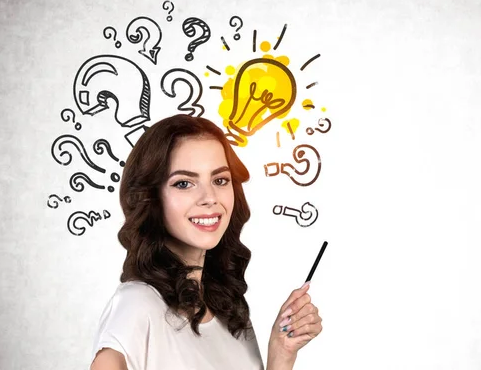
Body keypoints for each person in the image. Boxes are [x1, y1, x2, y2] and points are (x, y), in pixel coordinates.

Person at [90, 114, 322, 370]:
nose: (209, 197)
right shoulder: (137, 304)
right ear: (151, 197)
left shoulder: (232, 313)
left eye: (220, 180)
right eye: (184, 183)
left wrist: (281, 354)